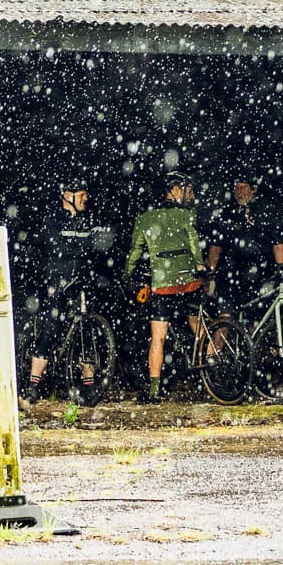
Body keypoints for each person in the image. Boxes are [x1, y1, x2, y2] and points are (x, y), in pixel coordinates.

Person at [125, 171, 205, 401]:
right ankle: (209, 371)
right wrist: (199, 266)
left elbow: (135, 253)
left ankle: (154, 389)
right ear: (176, 191)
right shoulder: (186, 216)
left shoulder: (145, 219)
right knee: (197, 326)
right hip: (188, 281)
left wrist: (127, 276)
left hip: (162, 284)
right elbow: (193, 244)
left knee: (158, 336)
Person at [24, 177, 104, 404]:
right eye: (81, 195)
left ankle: (89, 387)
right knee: (51, 329)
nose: (86, 199)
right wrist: (83, 247)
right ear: (68, 197)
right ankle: (33, 388)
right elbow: (56, 247)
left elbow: (101, 244)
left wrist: (86, 247)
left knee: (86, 332)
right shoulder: (53, 219)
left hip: (82, 282)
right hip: (57, 282)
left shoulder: (88, 220)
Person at [204, 174, 283, 309]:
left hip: (260, 272)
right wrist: (210, 274)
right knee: (226, 313)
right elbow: (216, 246)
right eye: (236, 188)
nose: (239, 192)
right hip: (231, 272)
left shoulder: (264, 210)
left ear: (253, 189)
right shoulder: (228, 213)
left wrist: (282, 270)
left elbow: (277, 243)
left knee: (257, 312)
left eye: (243, 187)